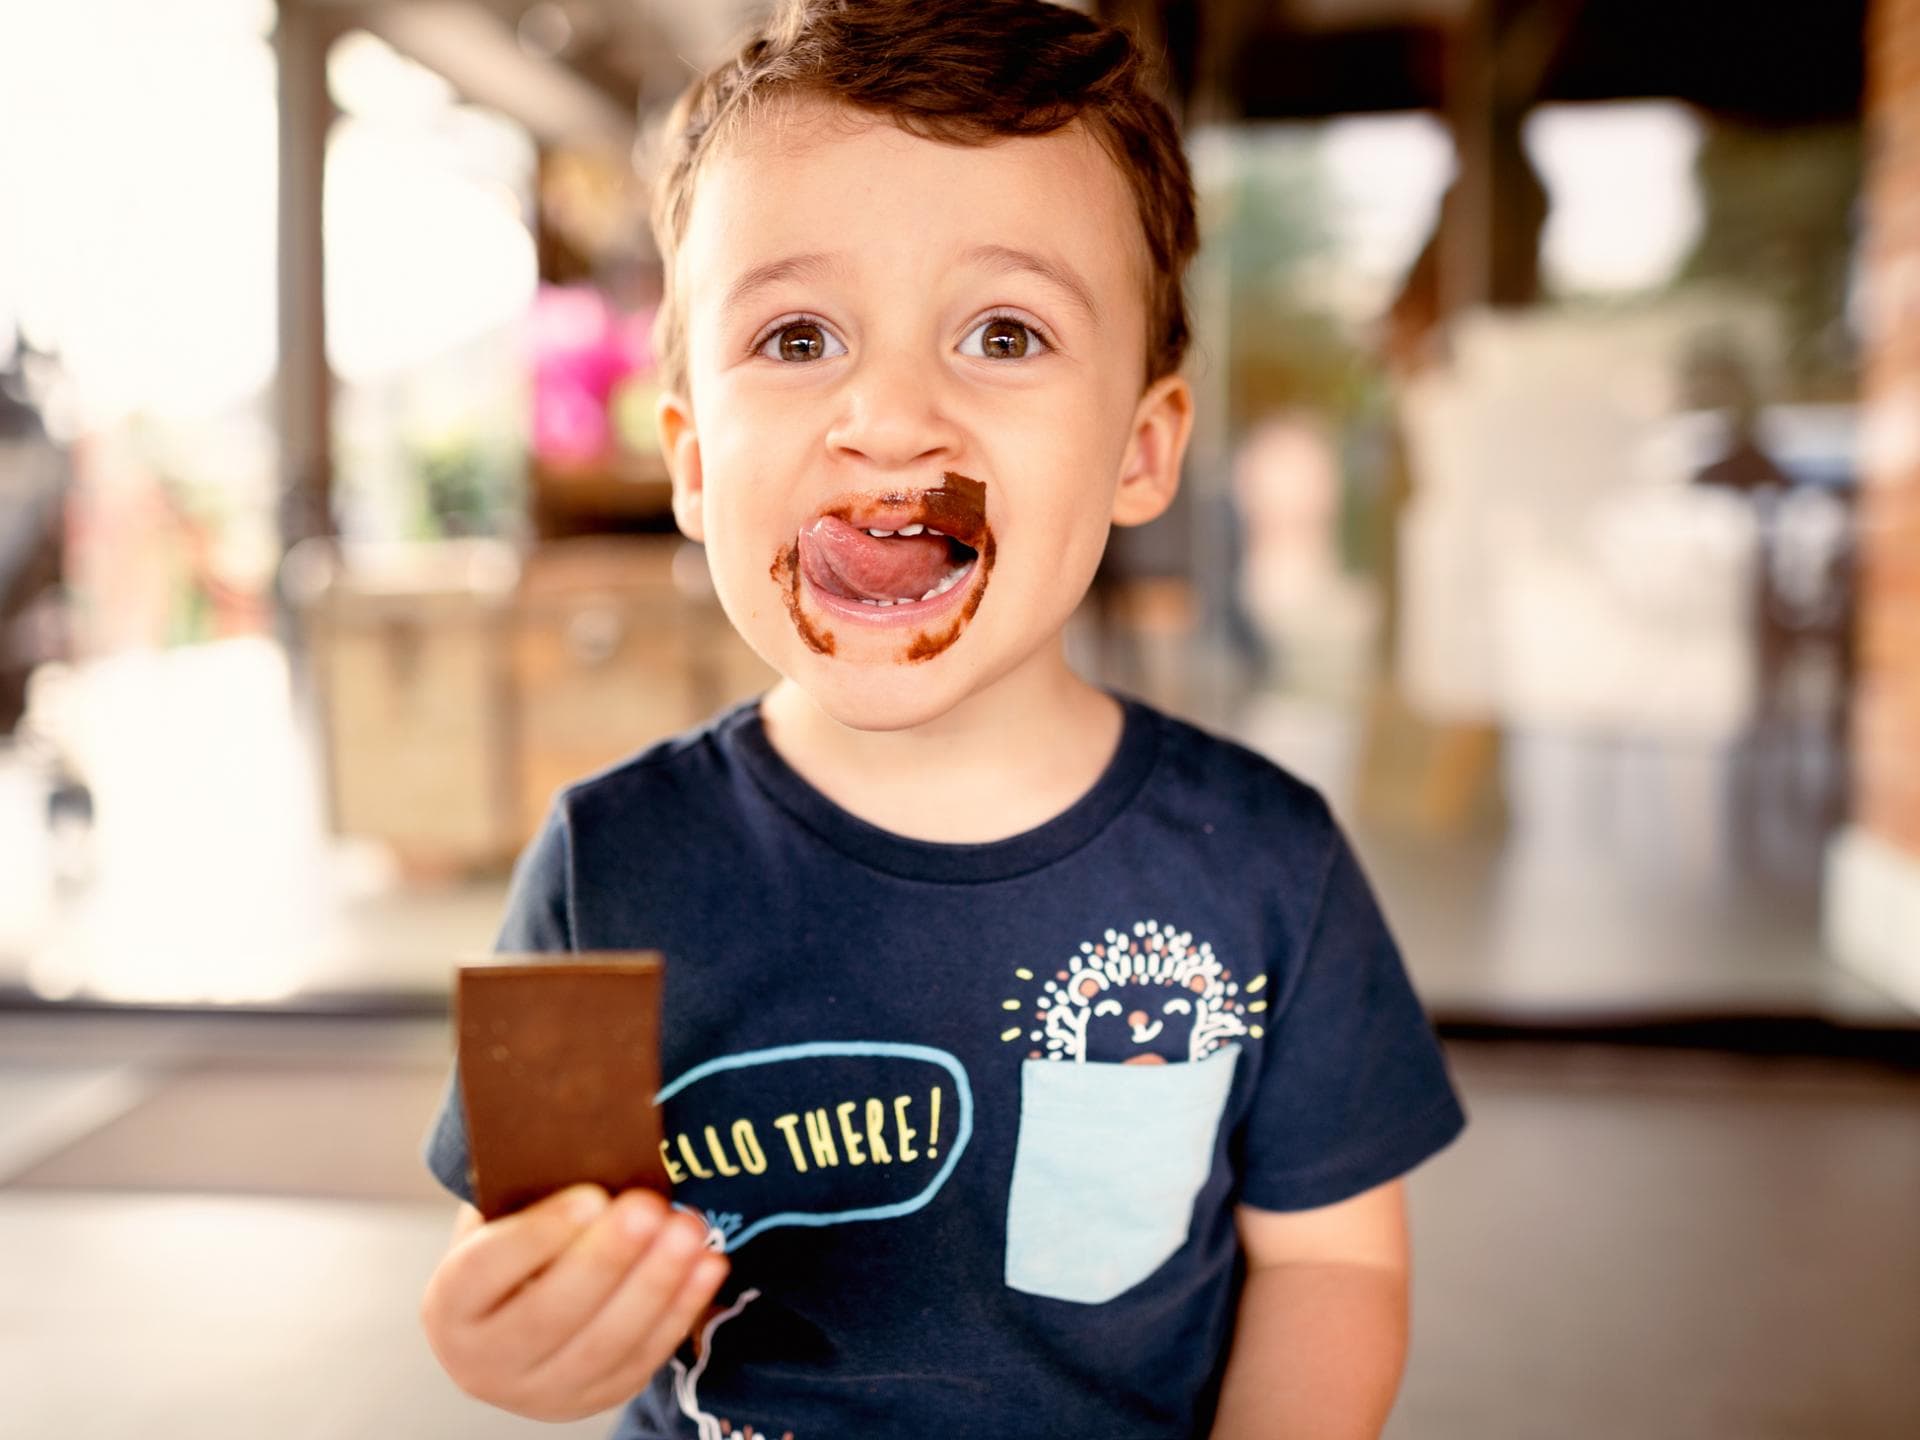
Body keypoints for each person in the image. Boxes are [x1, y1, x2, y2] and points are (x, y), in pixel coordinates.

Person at [418, 2, 1465, 1435]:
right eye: (797, 336)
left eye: (1002, 332)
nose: (891, 417)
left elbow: (1331, 1263)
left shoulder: (1267, 865)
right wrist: (510, 1338)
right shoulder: (611, 867)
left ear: (1142, 448)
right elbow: (526, 1245)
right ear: (693, 464)